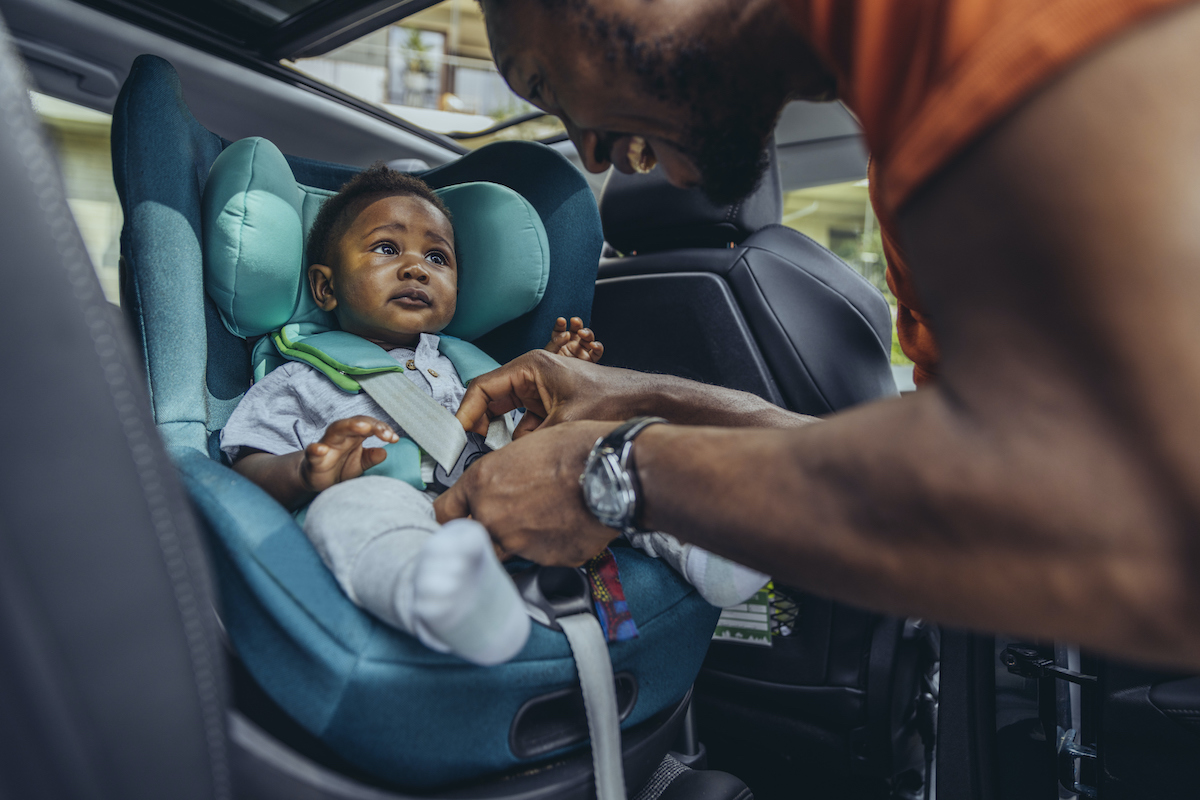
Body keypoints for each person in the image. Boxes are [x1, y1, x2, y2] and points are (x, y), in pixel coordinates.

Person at [433, 0, 1200, 671]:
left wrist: (611, 476)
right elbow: (971, 476)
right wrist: (637, 400)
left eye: (540, 83)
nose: (593, 153)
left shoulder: (951, 24)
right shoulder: (902, 130)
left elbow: (1143, 519)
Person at [221, 165, 765, 665]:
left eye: (438, 257)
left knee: (612, 458)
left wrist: (553, 385)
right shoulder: (297, 378)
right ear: (324, 285)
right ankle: (441, 595)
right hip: (411, 510)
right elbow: (245, 469)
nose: (416, 266)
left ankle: (707, 547)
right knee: (350, 509)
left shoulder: (471, 365)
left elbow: (516, 428)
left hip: (523, 488)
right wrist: (304, 471)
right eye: (386, 248)